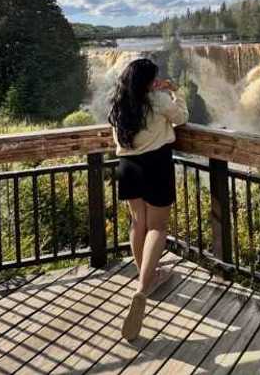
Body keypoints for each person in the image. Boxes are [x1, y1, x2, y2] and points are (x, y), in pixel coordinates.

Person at [107, 57, 188, 341]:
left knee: (137, 223)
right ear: (148, 82)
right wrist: (175, 91)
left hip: (127, 166)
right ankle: (142, 288)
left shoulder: (119, 104)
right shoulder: (157, 100)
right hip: (155, 164)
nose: (157, 81)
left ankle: (146, 274)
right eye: (154, 78)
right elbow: (181, 118)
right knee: (157, 227)